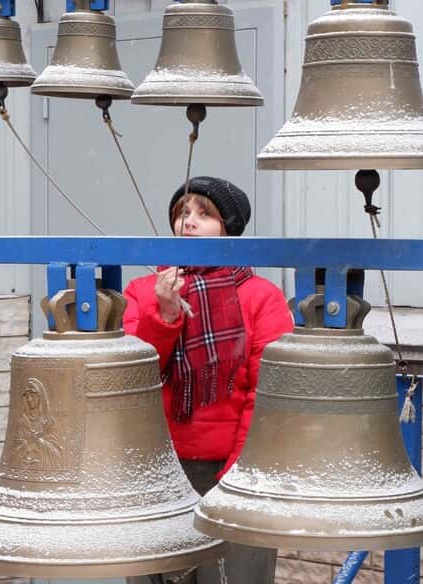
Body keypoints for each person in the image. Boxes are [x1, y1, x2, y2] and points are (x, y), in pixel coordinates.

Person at [123, 176, 294, 584]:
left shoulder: (261, 296)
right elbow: (134, 378)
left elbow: (266, 391)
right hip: (158, 470)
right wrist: (164, 316)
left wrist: (240, 472)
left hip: (233, 471)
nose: (190, 222)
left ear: (228, 228)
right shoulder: (144, 292)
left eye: (205, 214)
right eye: (182, 213)